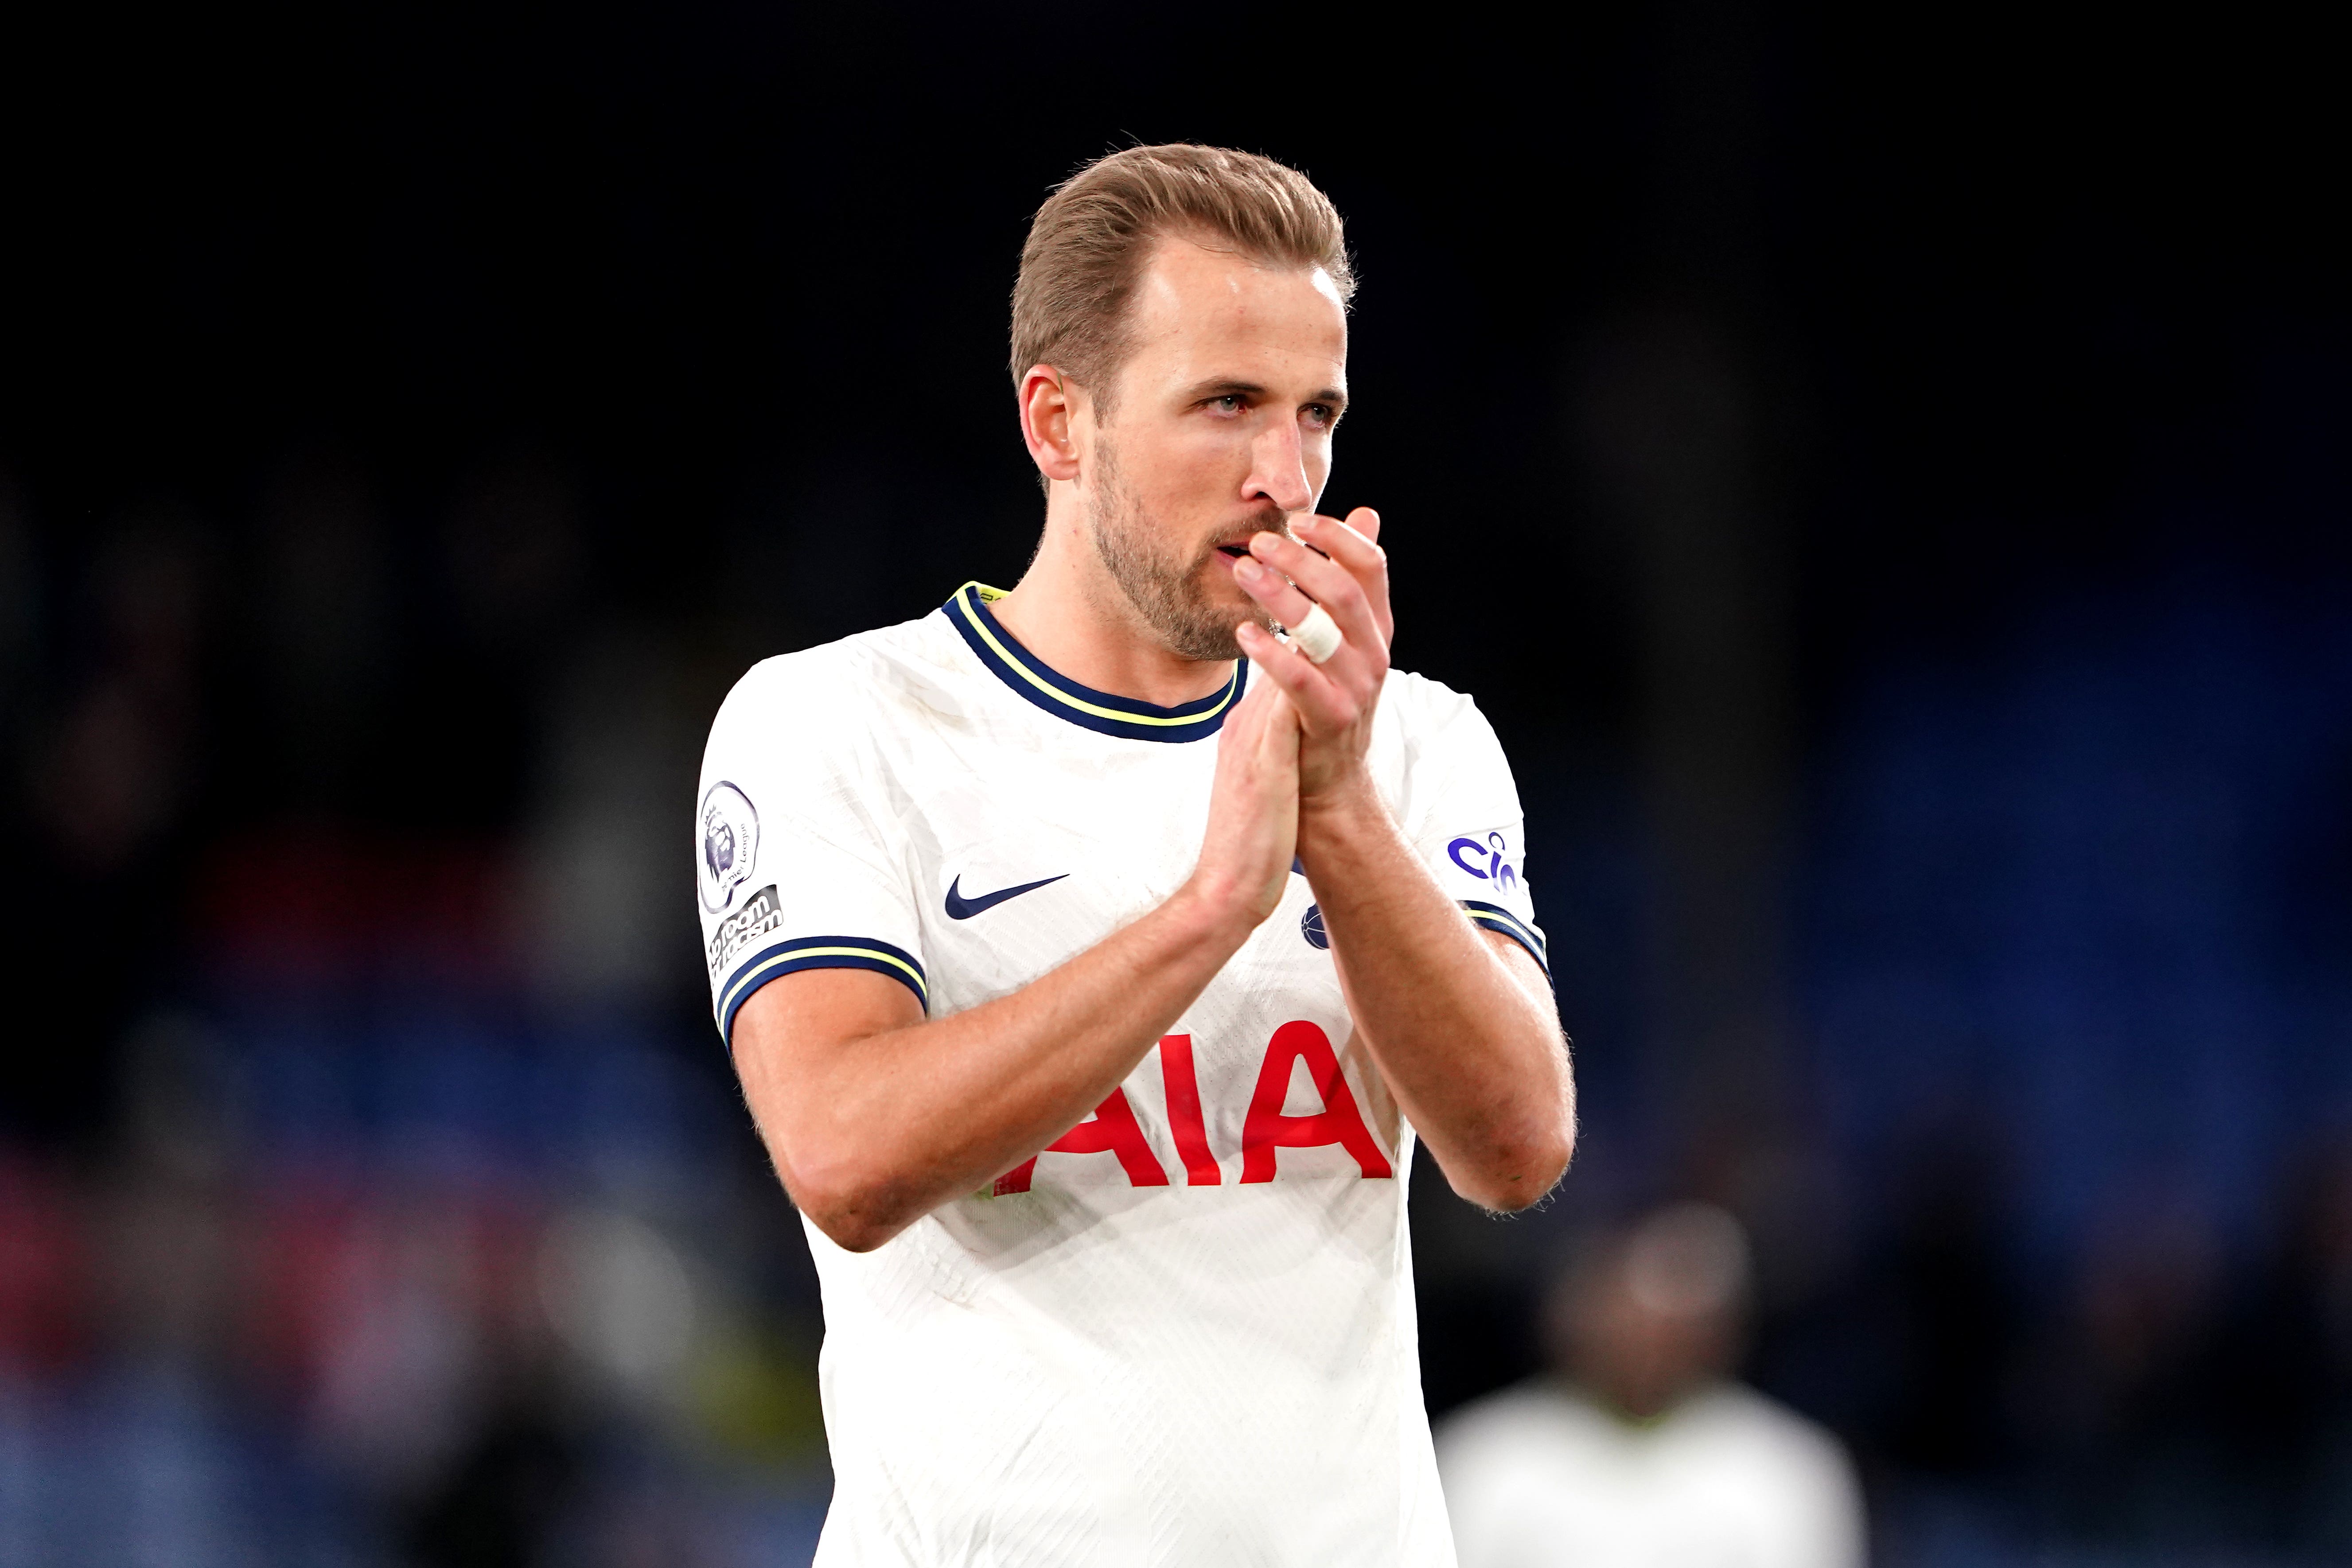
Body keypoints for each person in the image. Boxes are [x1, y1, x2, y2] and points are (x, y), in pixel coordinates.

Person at [694, 143, 1574, 1565]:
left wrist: (1338, 815)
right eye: (1224, 405)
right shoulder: (838, 725)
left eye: (1317, 414)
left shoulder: (1416, 743)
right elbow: (843, 1157)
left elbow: (1515, 1149)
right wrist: (1212, 905)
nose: (1283, 478)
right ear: (1060, 423)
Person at [1437, 1203, 1865, 1568]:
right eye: (1619, 1312)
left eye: (1667, 1319)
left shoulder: (1789, 1466)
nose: (1643, 1341)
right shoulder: (1482, 1454)